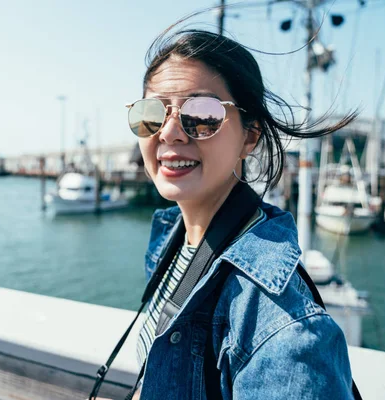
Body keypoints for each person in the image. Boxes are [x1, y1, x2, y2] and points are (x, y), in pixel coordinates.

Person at [91, 19, 359, 400]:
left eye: (202, 115)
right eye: (152, 114)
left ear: (249, 135)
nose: (169, 133)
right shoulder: (174, 239)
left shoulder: (279, 322)